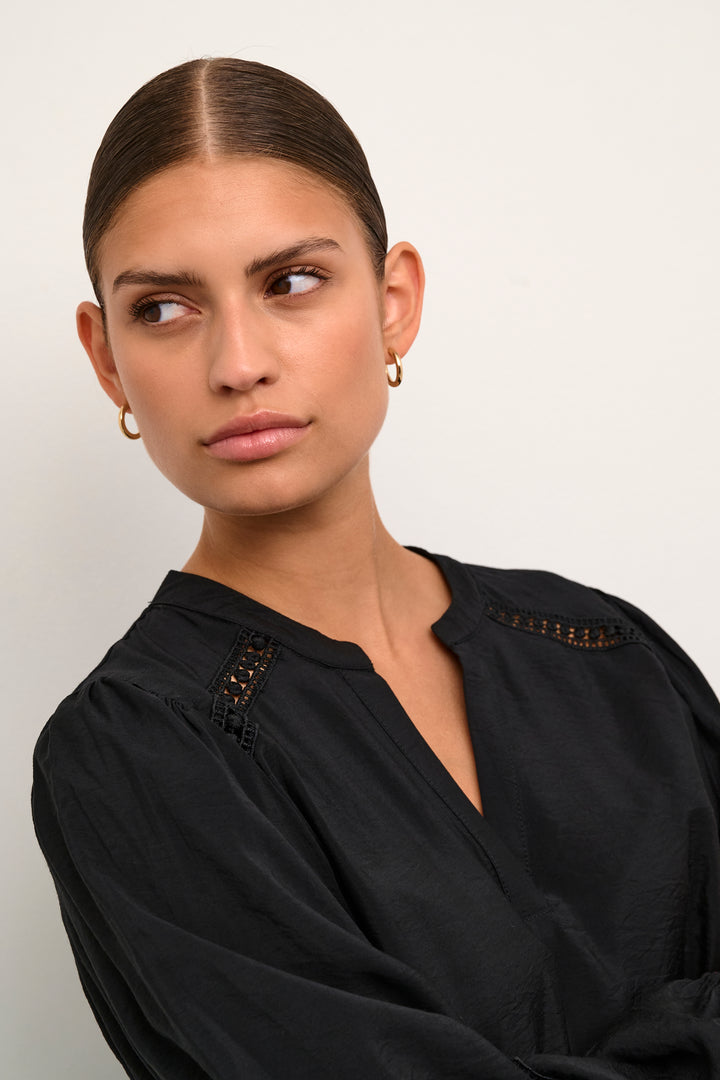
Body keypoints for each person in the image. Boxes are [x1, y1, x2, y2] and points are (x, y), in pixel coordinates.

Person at [32, 57, 720, 1080]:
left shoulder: (607, 652)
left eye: (291, 282)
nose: (238, 363)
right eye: (165, 309)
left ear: (395, 301)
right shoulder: (133, 754)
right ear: (106, 360)